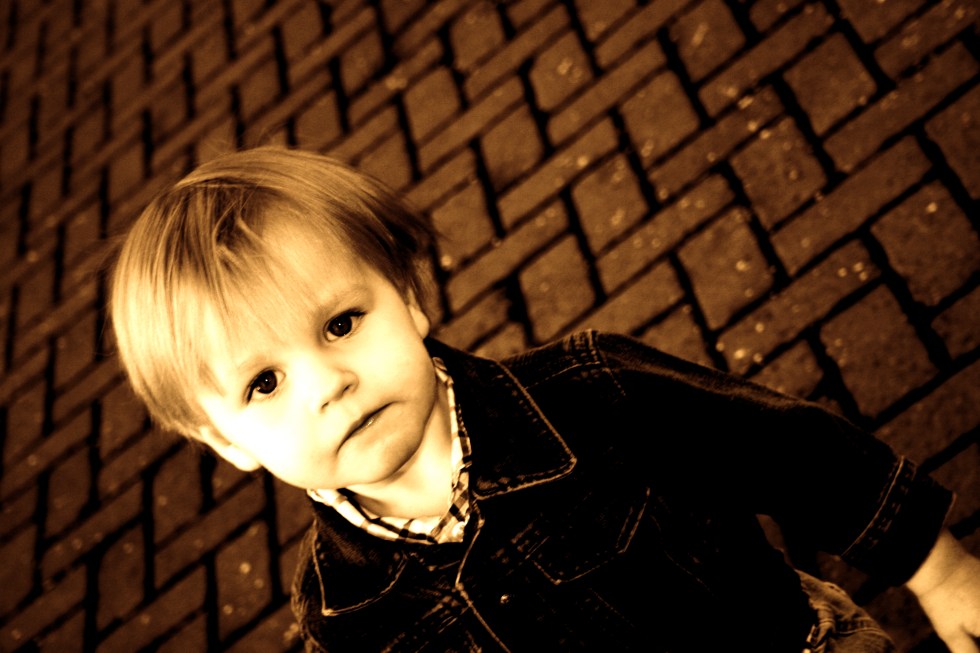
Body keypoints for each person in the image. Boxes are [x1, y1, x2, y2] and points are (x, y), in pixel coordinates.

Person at [109, 146, 980, 652]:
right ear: (224, 439)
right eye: (264, 382)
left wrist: (937, 570)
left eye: (341, 323)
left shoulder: (590, 395)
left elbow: (786, 451)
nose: (328, 383)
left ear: (408, 297)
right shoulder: (340, 614)